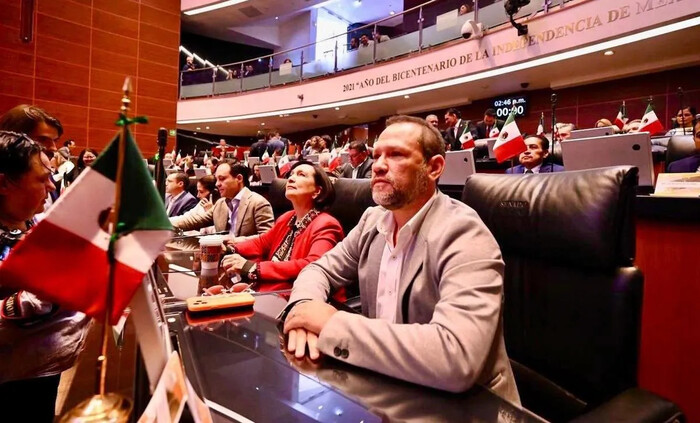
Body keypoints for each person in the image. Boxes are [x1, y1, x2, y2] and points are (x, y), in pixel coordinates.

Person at [281, 115, 519, 403]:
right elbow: (319, 269)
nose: (378, 165)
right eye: (377, 155)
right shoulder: (373, 219)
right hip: (384, 390)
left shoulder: (465, 234)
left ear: (434, 168)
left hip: (466, 407)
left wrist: (331, 324)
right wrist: (304, 308)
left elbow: (455, 357)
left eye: (396, 155)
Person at [0, 131, 90, 421]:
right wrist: (34, 298)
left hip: (40, 371)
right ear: (3, 183)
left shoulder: (35, 223)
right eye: (41, 179)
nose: (51, 186)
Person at [221, 161, 344, 292]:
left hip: (301, 297)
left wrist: (253, 268)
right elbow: (262, 243)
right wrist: (229, 249)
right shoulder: (287, 218)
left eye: (301, 174)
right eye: (291, 174)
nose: (291, 178)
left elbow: (313, 265)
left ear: (317, 191)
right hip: (271, 290)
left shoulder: (327, 224)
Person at [172, 162, 273, 241]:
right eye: (216, 179)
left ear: (239, 178)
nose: (217, 184)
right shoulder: (221, 203)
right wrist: (163, 223)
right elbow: (194, 220)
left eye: (222, 179)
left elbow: (268, 238)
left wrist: (236, 241)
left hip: (246, 260)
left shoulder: (258, 203)